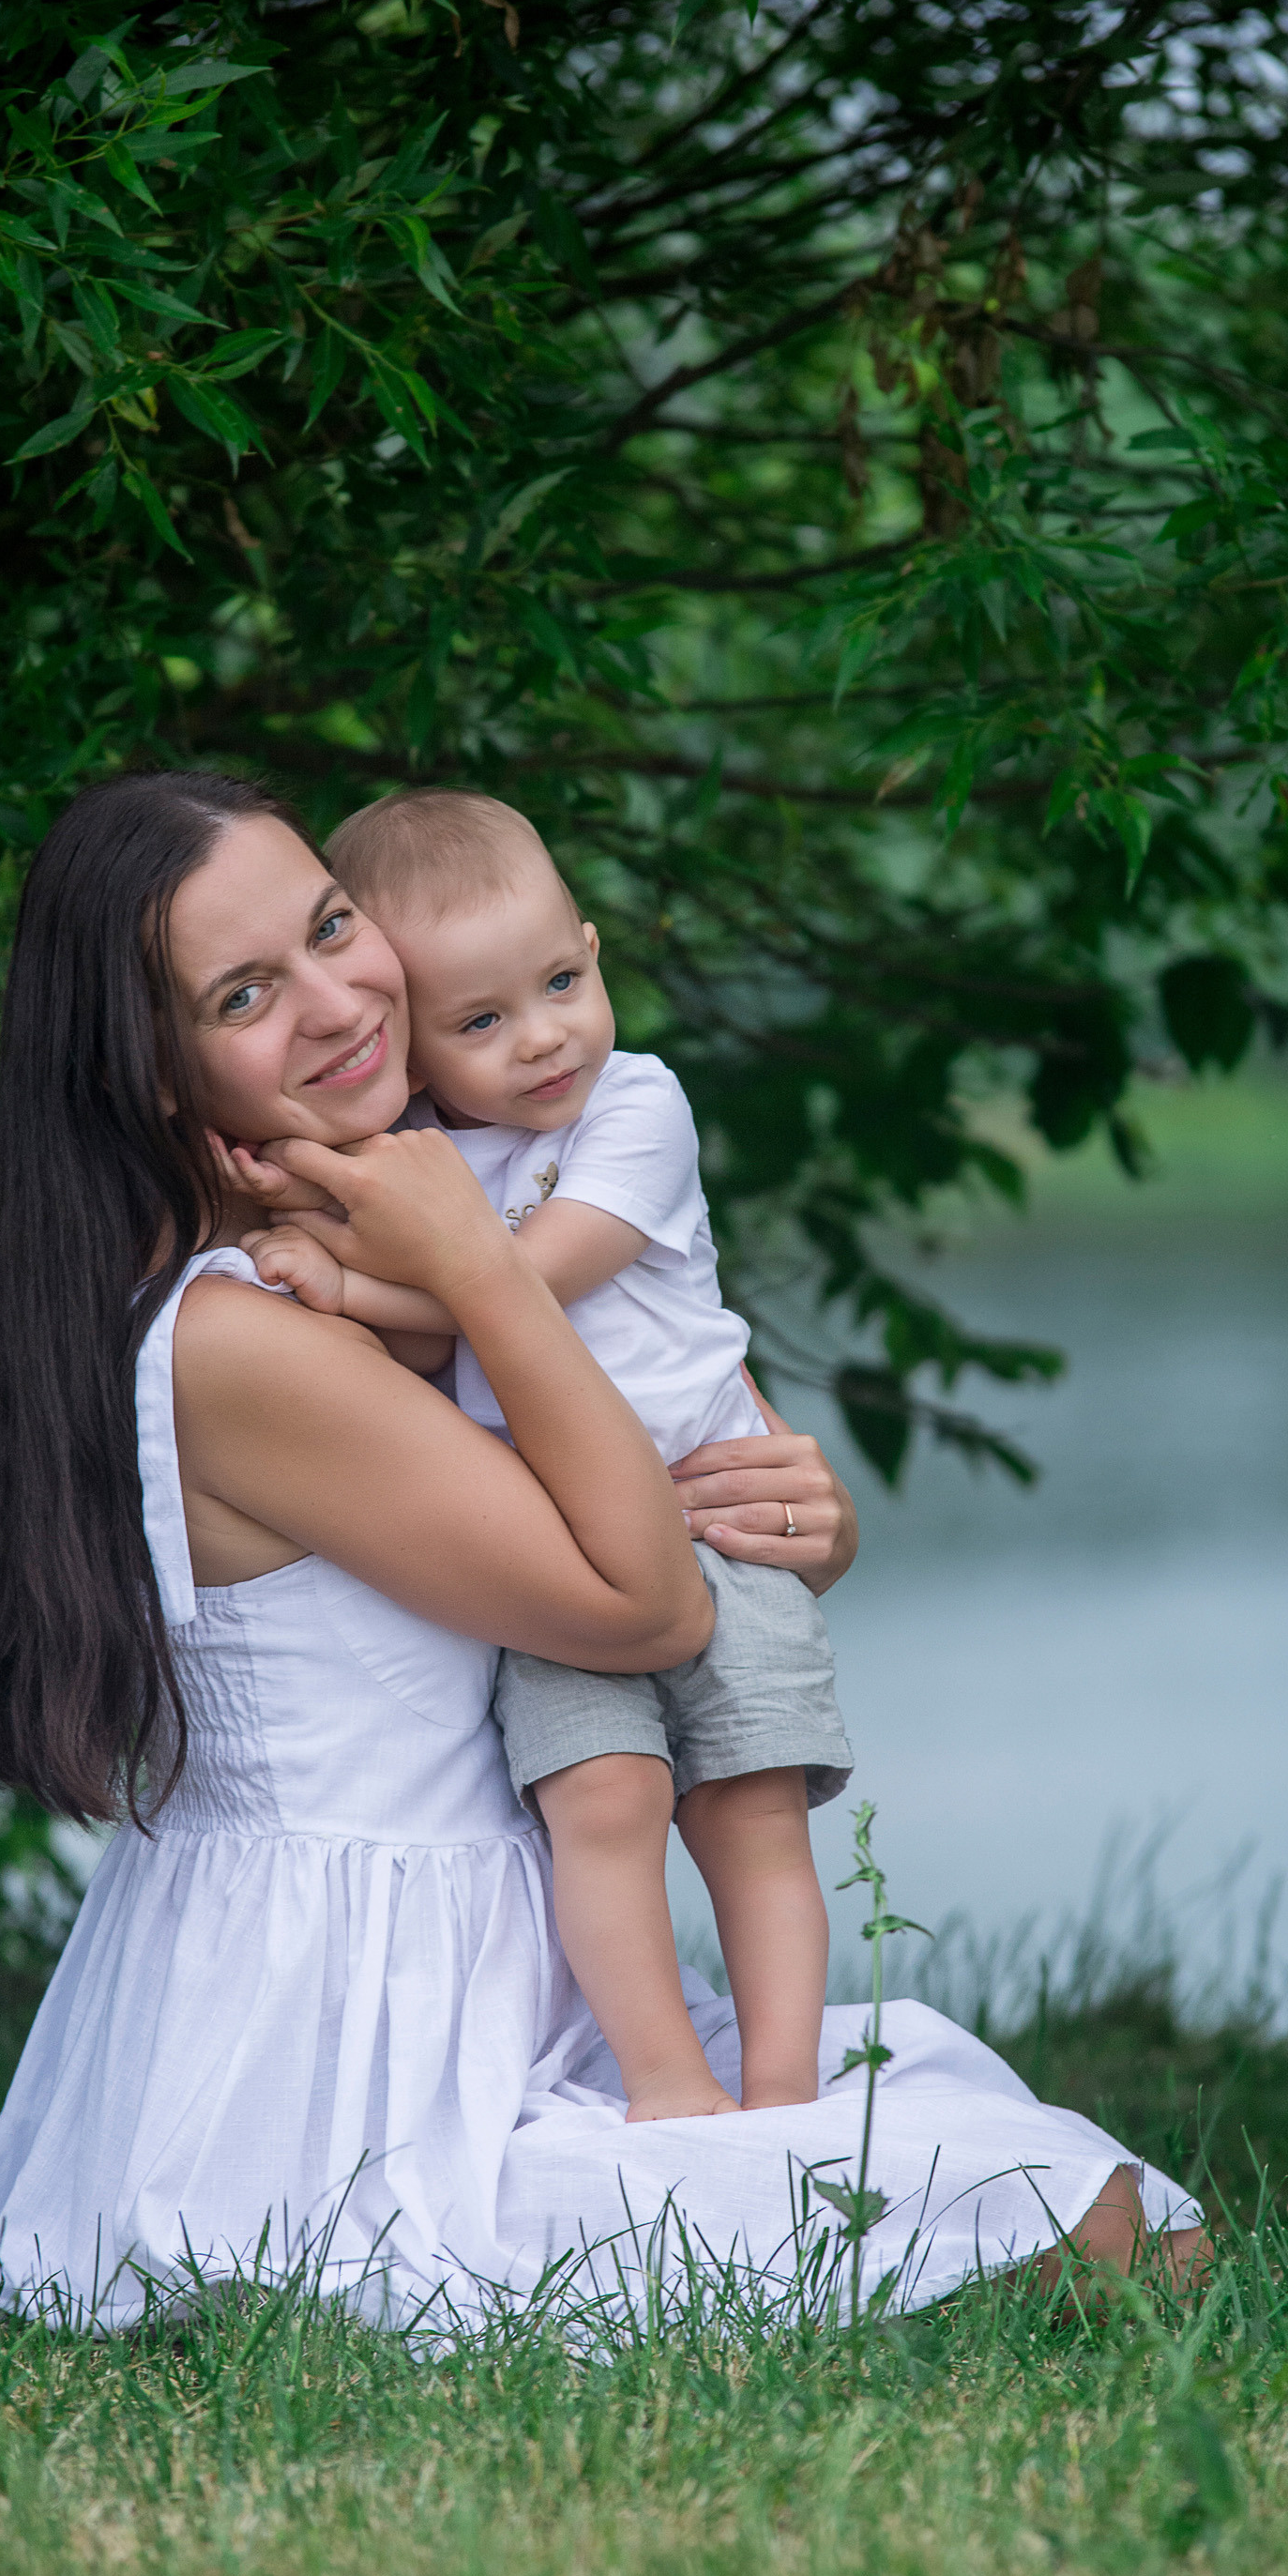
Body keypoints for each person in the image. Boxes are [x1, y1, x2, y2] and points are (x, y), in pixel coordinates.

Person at [0, 768, 1206, 2333]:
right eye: (246, 994)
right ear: (158, 1078)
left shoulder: (433, 1198)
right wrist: (480, 1272)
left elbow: (669, 1454)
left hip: (508, 1965)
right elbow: (643, 1608)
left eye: (332, 927)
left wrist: (794, 1517)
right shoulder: (243, 1337)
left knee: (1030, 2177)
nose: (336, 1001)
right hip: (350, 2038)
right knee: (1086, 2229)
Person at [240, 787, 849, 2126]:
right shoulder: (423, 1159)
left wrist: (353, 1287)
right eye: (479, 1022)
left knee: (750, 1811)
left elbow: (527, 1282)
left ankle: (785, 2098)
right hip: (558, 1547)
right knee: (603, 1803)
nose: (541, 1038)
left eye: (561, 984)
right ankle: (668, 2086)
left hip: (718, 1522)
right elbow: (450, 1311)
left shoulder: (636, 1106)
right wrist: (333, 1241)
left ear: (591, 949)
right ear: (411, 1043)